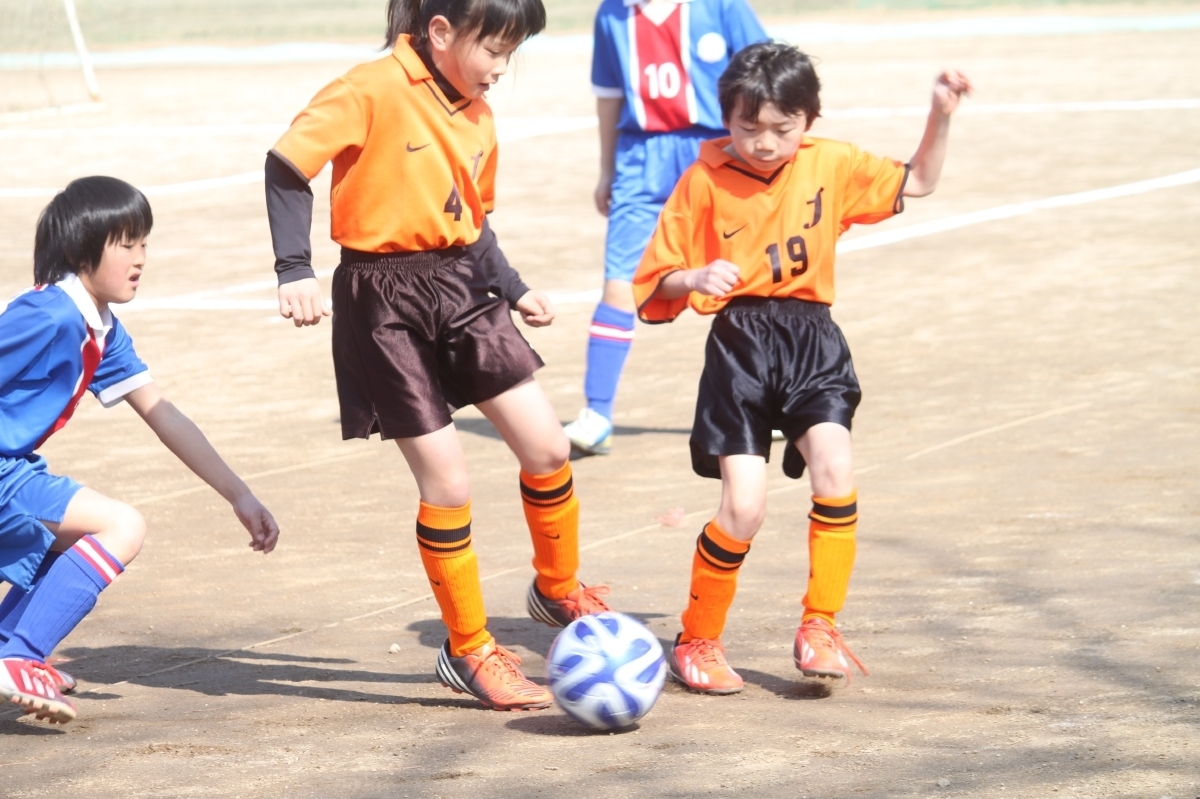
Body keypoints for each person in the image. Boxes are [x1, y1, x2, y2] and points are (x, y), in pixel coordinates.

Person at [264, 0, 610, 711]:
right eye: (495, 50)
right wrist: (293, 268)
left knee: (548, 446)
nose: (502, 68)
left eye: (512, 53)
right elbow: (286, 165)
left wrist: (514, 287)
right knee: (448, 482)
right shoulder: (369, 87)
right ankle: (469, 647)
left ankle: (556, 588)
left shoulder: (479, 116)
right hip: (381, 298)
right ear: (442, 32)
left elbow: (473, 220)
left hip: (463, 286)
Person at [632, 42, 972, 693]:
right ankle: (698, 638)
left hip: (813, 340)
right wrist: (694, 276)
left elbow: (920, 180)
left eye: (782, 128)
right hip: (740, 347)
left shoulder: (832, 163)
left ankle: (820, 624)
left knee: (836, 470)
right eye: (747, 126)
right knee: (744, 507)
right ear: (726, 119)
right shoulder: (702, 180)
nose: (764, 142)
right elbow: (655, 281)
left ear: (808, 120)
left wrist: (940, 114)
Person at [0, 176, 280, 724]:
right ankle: (19, 656)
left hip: (14, 470)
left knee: (83, 531)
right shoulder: (48, 314)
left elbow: (162, 412)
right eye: (126, 244)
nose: (141, 259)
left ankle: (10, 649)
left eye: (144, 243)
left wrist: (239, 495)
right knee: (121, 526)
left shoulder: (101, 327)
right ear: (80, 250)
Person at [561, 0, 767, 456]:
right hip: (641, 159)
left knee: (749, 279)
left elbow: (767, 75)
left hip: (718, 153)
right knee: (620, 282)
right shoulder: (612, 14)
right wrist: (606, 169)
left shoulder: (720, 6)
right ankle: (597, 415)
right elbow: (609, 97)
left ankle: (766, 402)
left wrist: (761, 152)